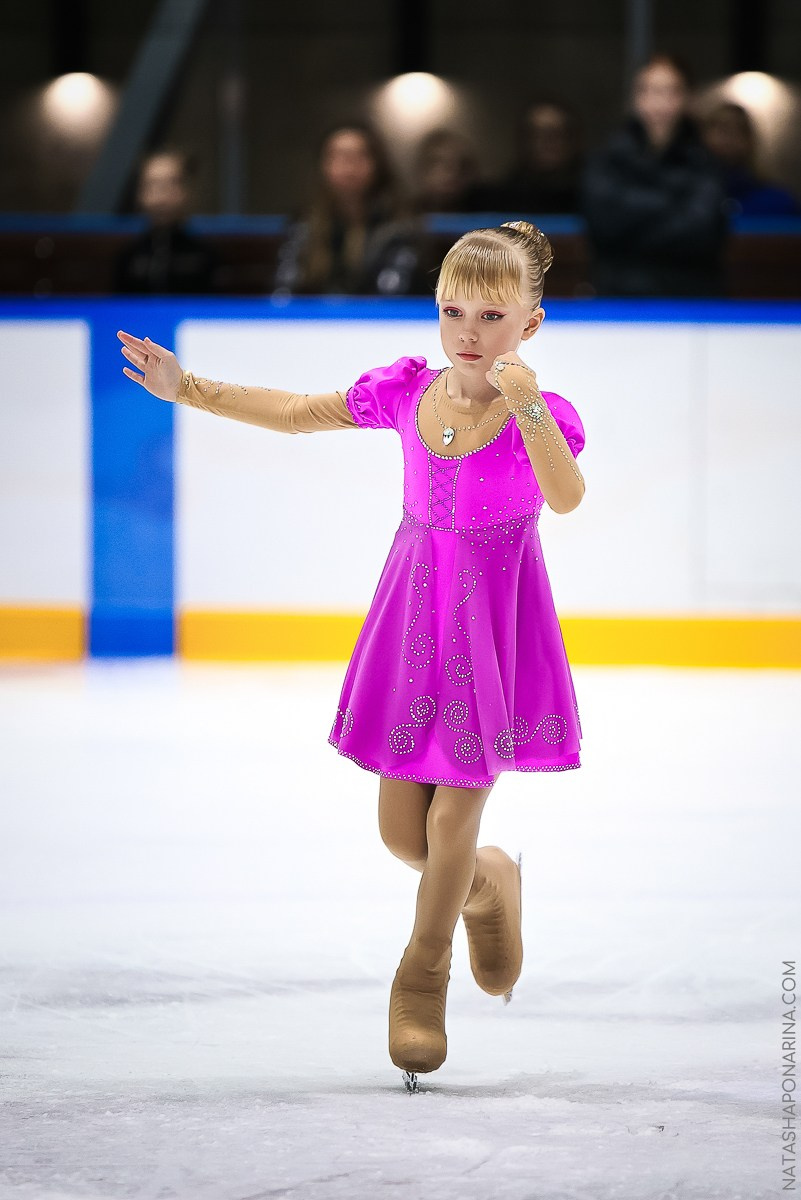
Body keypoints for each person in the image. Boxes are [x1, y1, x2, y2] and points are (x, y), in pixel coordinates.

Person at [117, 218, 587, 1090]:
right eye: (453, 311)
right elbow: (299, 414)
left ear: (530, 323)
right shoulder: (407, 394)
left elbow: (564, 498)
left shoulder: (542, 417)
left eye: (491, 316)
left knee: (452, 818)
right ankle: (489, 887)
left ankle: (421, 974)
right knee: (403, 838)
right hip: (412, 620)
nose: (467, 333)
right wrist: (190, 389)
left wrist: (525, 405)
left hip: (492, 627)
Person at [580, 53, 729, 296]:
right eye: (650, 91)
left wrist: (631, 220)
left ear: (688, 98)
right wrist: (673, 204)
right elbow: (603, 226)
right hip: (617, 299)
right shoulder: (608, 160)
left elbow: (703, 232)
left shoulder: (706, 164)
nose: (660, 103)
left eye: (671, 92)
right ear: (636, 98)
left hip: (691, 300)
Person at [273, 121, 420, 297]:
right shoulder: (303, 224)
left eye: (359, 156)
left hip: (378, 322)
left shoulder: (400, 225)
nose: (349, 166)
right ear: (323, 165)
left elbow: (393, 294)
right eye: (338, 156)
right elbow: (284, 292)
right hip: (314, 321)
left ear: (378, 164)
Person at [113, 150, 217, 294]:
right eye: (152, 185)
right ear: (140, 194)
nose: (161, 198)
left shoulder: (205, 256)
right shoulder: (128, 258)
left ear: (186, 191)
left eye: (171, 184)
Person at [701, 101, 801, 217]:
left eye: (740, 129)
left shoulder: (778, 202)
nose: (729, 137)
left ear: (750, 141)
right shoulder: (685, 200)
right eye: (722, 128)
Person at [492, 100, 583, 214]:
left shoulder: (592, 192)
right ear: (523, 140)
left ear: (572, 140)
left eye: (556, 133)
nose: (548, 142)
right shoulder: (505, 195)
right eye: (538, 134)